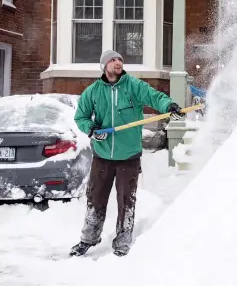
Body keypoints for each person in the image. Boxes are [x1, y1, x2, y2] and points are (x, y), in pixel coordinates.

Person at [69, 50, 185, 257]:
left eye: (120, 60)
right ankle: (88, 239)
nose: (118, 62)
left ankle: (122, 243)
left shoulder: (134, 86)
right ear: (104, 65)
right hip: (102, 156)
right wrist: (93, 130)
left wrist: (169, 105)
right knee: (95, 198)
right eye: (113, 60)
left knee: (126, 200)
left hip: (129, 156)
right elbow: (81, 117)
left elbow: (154, 96)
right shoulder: (93, 91)